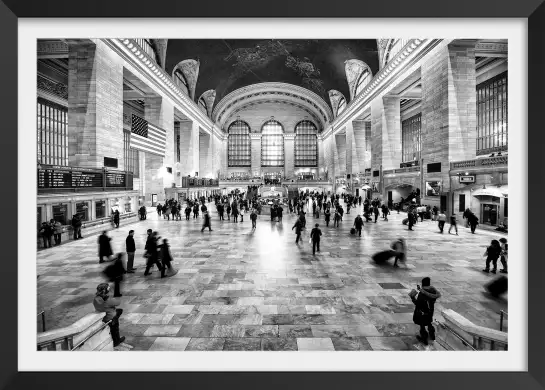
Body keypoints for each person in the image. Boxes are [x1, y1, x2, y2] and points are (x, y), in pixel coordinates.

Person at [409, 277, 441, 346]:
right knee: (429, 323)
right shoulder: (433, 291)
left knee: (422, 325)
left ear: (423, 284)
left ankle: (424, 339)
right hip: (430, 311)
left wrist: (412, 297)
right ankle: (432, 336)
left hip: (422, 313)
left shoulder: (422, 294)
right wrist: (420, 289)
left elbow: (418, 303)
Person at [93, 283, 125, 347]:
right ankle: (117, 342)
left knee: (119, 311)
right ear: (105, 291)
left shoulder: (95, 299)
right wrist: (116, 295)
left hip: (104, 316)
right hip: (111, 317)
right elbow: (118, 302)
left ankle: (114, 338)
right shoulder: (107, 300)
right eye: (108, 288)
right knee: (115, 329)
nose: (109, 289)